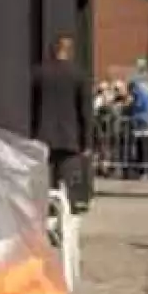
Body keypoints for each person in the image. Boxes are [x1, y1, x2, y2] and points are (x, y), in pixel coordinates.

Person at [31, 34, 92, 192]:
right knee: (67, 179)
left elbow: (33, 106)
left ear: (52, 50)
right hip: (69, 136)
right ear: (70, 51)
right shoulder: (78, 75)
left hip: (44, 134)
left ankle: (46, 210)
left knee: (44, 179)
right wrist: (86, 141)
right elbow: (84, 110)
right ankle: (64, 209)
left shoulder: (39, 73)